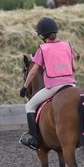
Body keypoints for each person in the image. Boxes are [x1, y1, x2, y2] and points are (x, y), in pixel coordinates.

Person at [19, 17, 77, 150]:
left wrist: (25, 87)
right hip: (71, 85)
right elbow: (75, 67)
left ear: (41, 35)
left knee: (29, 106)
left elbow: (33, 72)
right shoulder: (67, 45)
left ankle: (34, 139)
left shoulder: (43, 49)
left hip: (54, 86)